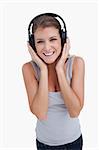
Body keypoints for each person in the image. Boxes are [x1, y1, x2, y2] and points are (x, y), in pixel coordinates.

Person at [22, 13, 85, 150]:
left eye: (53, 39)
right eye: (40, 42)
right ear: (33, 45)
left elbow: (74, 111)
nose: (47, 47)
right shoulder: (29, 69)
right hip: (45, 144)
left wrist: (60, 69)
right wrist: (43, 70)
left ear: (63, 40)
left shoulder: (76, 63)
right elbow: (40, 113)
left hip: (73, 142)